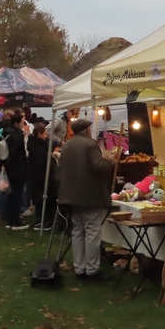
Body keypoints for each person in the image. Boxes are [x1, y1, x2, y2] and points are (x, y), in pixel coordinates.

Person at [57, 118, 116, 280]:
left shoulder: (67, 145)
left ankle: (79, 267)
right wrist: (109, 161)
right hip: (90, 195)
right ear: (86, 130)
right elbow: (98, 166)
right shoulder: (90, 145)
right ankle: (91, 269)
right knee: (92, 231)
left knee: (77, 231)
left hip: (71, 195)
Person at [27, 122, 56, 230]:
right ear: (39, 133)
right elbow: (40, 165)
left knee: (40, 200)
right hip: (40, 179)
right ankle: (43, 221)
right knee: (42, 200)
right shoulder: (38, 149)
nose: (46, 135)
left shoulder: (36, 146)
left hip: (37, 178)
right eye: (44, 133)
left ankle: (41, 220)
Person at [2, 112, 29, 230]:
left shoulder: (7, 133)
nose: (23, 124)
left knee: (11, 194)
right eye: (22, 122)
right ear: (16, 123)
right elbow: (15, 153)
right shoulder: (17, 135)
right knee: (17, 194)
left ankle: (10, 219)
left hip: (9, 168)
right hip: (17, 168)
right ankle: (16, 221)